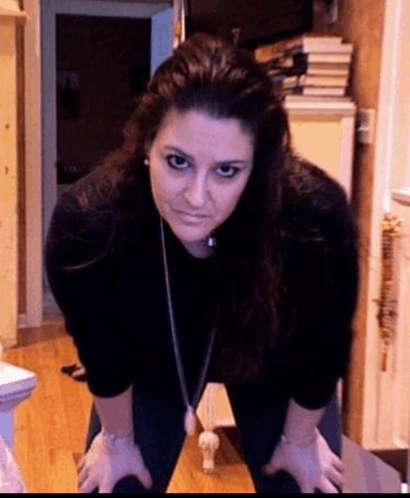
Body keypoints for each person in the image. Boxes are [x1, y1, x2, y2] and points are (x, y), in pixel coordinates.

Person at [45, 32, 358, 493]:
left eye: (227, 171)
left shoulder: (314, 219)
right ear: (147, 144)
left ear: (258, 166)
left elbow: (324, 345)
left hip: (273, 353)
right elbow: (102, 349)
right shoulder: (90, 225)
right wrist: (116, 440)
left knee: (305, 484)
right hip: (147, 355)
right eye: (177, 162)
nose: (195, 197)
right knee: (115, 484)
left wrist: (299, 439)